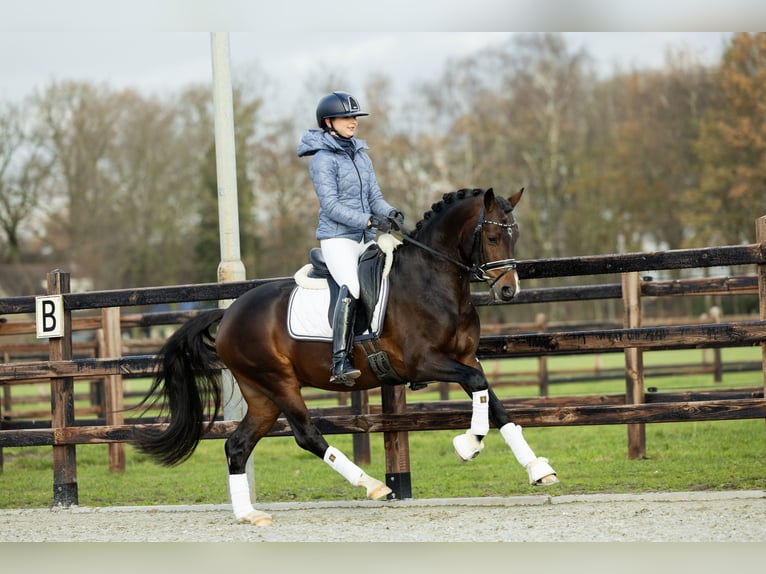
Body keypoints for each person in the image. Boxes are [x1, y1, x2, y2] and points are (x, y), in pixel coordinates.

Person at [297, 91, 404, 386]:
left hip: (364, 236)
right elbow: (331, 207)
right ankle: (340, 361)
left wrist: (391, 213)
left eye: (354, 117)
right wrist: (369, 219)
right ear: (329, 122)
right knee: (354, 287)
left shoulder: (361, 155)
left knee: (392, 277)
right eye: (347, 117)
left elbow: (375, 197)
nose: (353, 122)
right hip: (337, 239)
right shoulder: (322, 160)